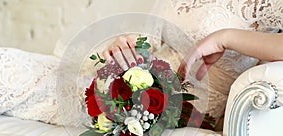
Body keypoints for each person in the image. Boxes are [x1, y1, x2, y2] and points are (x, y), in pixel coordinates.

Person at [103, 28, 283, 80]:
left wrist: (224, 38)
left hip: (187, 108)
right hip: (140, 82)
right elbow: (157, 37)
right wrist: (133, 44)